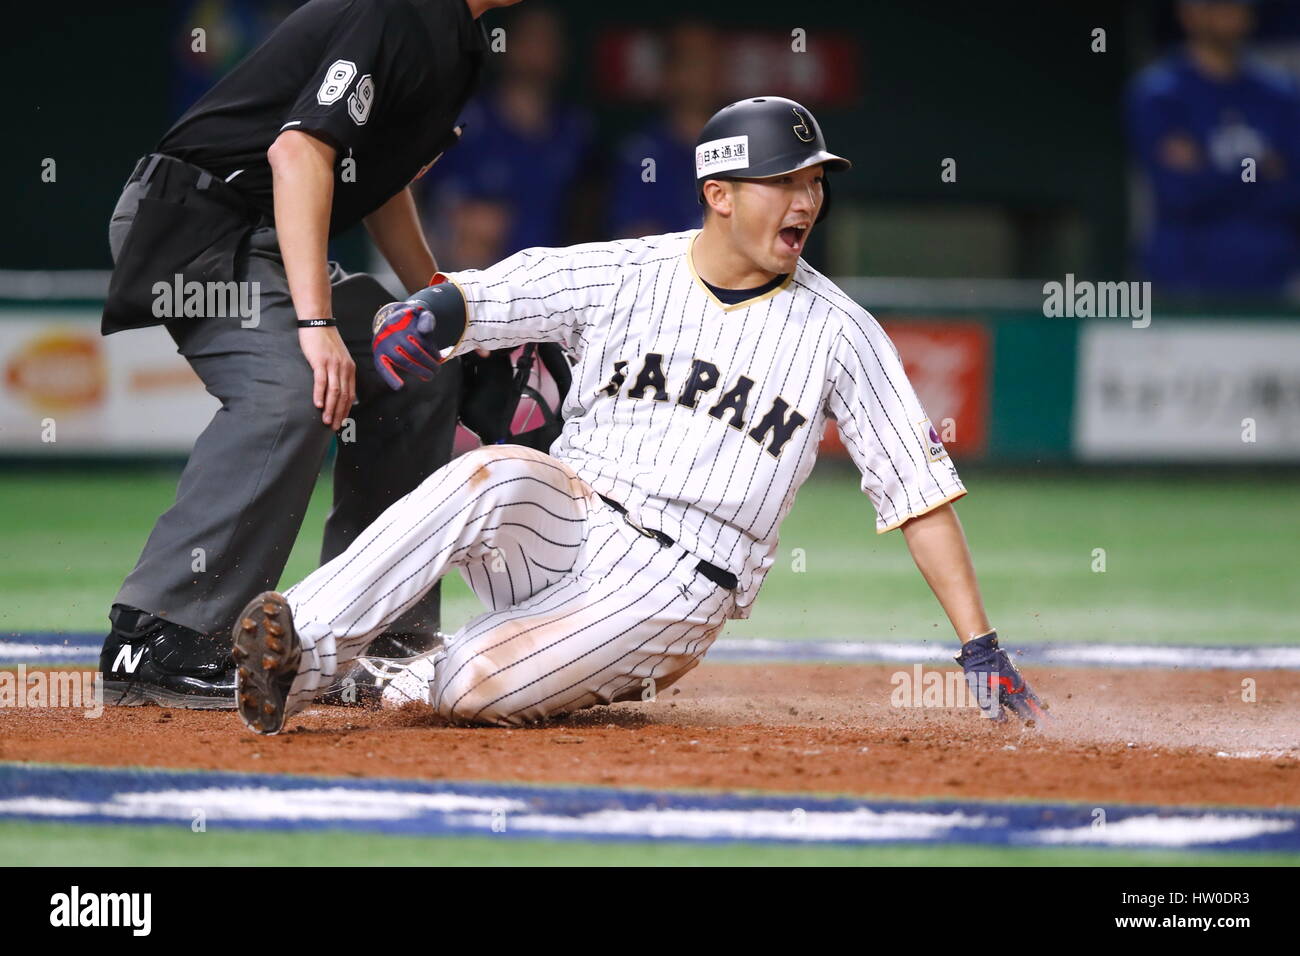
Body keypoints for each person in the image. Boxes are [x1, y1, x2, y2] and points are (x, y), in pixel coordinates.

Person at [230, 96, 1049, 735]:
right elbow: (506, 290)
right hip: (569, 515)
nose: (808, 199)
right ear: (719, 194)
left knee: (469, 686)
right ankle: (302, 644)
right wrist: (436, 313)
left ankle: (413, 677)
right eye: (787, 180)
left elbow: (918, 493)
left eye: (815, 181)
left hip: (678, 582)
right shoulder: (634, 269)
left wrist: (978, 643)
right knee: (489, 472)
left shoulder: (841, 333)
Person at [99, 0, 523, 710]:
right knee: (290, 389)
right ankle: (160, 634)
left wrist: (445, 314)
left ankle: (368, 643)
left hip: (265, 239)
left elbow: (381, 186)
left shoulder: (459, 45)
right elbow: (296, 153)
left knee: (414, 368)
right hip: (197, 225)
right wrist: (317, 319)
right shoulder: (396, 12)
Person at [1128, 0, 1300, 297]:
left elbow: (1291, 191)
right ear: (1189, 13)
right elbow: (1179, 192)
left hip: (1271, 281)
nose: (1230, 14)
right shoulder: (1160, 94)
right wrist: (1259, 169)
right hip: (1184, 283)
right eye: (1217, 6)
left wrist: (1207, 168)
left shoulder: (1282, 94)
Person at [419, 4, 595, 268]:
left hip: (553, 284)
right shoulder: (466, 121)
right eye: (530, 38)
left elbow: (589, 211)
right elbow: (410, 191)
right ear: (507, 44)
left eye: (548, 40)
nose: (538, 50)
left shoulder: (575, 129)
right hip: (474, 278)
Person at [608, 22, 722, 238]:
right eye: (692, 61)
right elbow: (635, 237)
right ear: (669, 73)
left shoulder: (743, 148)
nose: (703, 71)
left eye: (711, 60)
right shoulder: (643, 154)